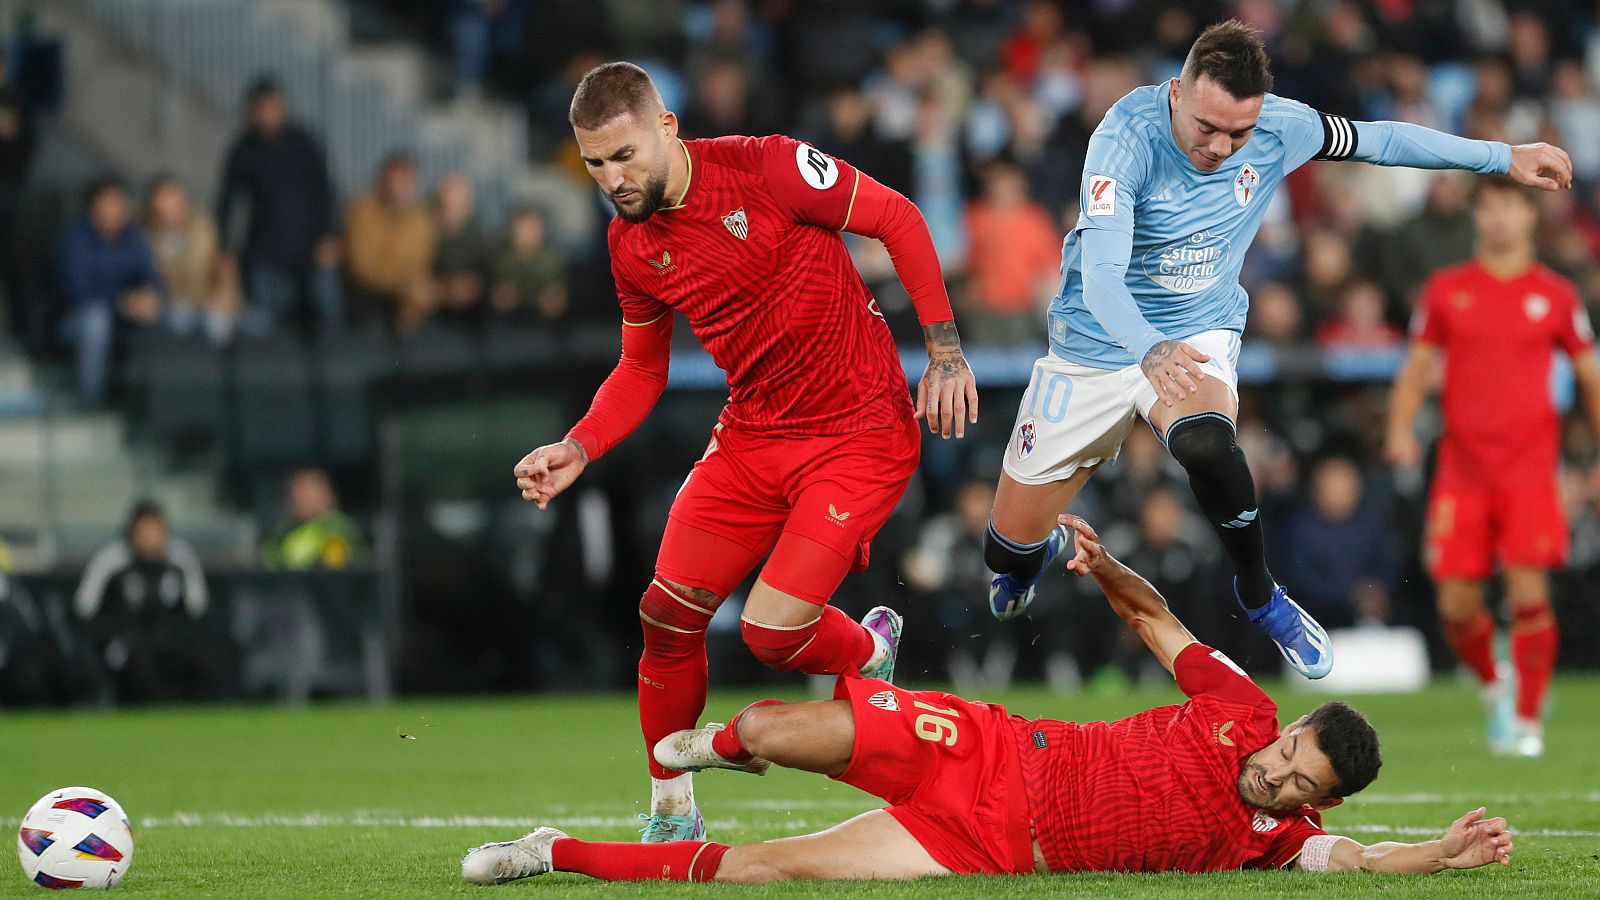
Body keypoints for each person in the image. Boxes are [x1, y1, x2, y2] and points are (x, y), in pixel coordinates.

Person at [984, 20, 1575, 683]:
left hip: (1194, 331)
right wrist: (1146, 349)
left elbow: (1380, 141)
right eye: (1207, 127)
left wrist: (1502, 156)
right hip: (1096, 342)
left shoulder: (1280, 127)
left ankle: (1261, 594)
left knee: (1208, 444)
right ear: (1178, 93)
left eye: (1237, 132)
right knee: (1003, 550)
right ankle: (1023, 565)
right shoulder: (1125, 139)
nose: (1221, 146)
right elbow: (1099, 277)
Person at [461, 514, 1515, 885]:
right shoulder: (1235, 708)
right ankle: (835, 692)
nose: (1276, 779)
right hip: (990, 754)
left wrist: (1436, 854)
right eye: (1289, 757)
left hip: (980, 850)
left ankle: (550, 852)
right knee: (767, 733)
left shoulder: (1275, 841)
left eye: (1296, 789)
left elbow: (1364, 860)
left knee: (759, 871)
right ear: (1286, 728)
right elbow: (1158, 625)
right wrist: (1105, 572)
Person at [512, 62, 979, 842]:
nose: (613, 180)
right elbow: (641, 368)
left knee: (769, 633)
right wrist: (578, 445)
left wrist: (946, 352)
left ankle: (867, 646)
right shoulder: (631, 245)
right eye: (595, 164)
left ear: (667, 128)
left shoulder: (766, 164)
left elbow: (897, 218)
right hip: (753, 435)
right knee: (665, 614)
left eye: (625, 156)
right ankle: (671, 811)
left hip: (856, 431)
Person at [1385, 175, 1600, 758]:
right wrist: (1401, 428)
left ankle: (1528, 718)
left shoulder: (1556, 295)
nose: (1499, 218)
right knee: (1455, 603)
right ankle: (1494, 681)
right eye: (1489, 207)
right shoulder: (1447, 289)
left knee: (1529, 592)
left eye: (1510, 206)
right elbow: (1418, 365)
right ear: (1477, 217)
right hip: (1463, 470)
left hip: (1530, 472)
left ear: (1531, 216)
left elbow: (1588, 375)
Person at [215, 78, 341, 333]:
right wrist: (225, 248)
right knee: (265, 323)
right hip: (264, 250)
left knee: (325, 314)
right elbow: (227, 201)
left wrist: (329, 234)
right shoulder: (243, 149)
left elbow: (325, 191)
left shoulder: (304, 142)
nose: (266, 115)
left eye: (271, 107)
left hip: (310, 246)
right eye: (260, 109)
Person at [74, 501, 209, 702]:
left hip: (168, 642)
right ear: (132, 532)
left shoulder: (181, 558)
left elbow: (198, 608)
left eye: (156, 530)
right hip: (124, 641)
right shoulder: (110, 560)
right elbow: (84, 608)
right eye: (145, 531)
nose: (151, 538)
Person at [57, 179, 165, 405]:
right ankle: (90, 397)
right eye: (108, 202)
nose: (114, 208)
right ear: (93, 206)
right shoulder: (77, 239)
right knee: (96, 319)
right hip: (75, 320)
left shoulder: (132, 237)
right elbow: (78, 291)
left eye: (118, 202)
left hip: (123, 316)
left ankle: (151, 403)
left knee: (163, 314)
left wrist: (148, 296)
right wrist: (121, 301)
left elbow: (152, 277)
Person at [345, 153, 438, 332]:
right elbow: (362, 269)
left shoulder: (421, 219)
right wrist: (403, 285)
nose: (400, 187)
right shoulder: (363, 212)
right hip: (369, 298)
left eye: (406, 181)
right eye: (396, 180)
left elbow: (421, 264)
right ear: (383, 180)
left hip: (408, 301)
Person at [144, 174, 239, 345]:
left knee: (216, 325)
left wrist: (222, 296)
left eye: (171, 198)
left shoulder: (202, 226)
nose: (166, 206)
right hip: (171, 301)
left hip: (206, 297)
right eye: (161, 200)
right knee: (178, 319)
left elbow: (222, 265)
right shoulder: (145, 231)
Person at [260, 468, 368, 571]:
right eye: (299, 491)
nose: (304, 498)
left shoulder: (339, 527)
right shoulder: (285, 529)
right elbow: (268, 557)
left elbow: (336, 567)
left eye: (311, 490)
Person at [489, 207, 566, 321]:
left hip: (545, 325)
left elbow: (559, 298)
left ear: (541, 231)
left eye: (531, 228)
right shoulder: (499, 260)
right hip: (507, 323)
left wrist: (554, 300)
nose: (526, 234)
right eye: (522, 228)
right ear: (512, 231)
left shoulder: (553, 261)